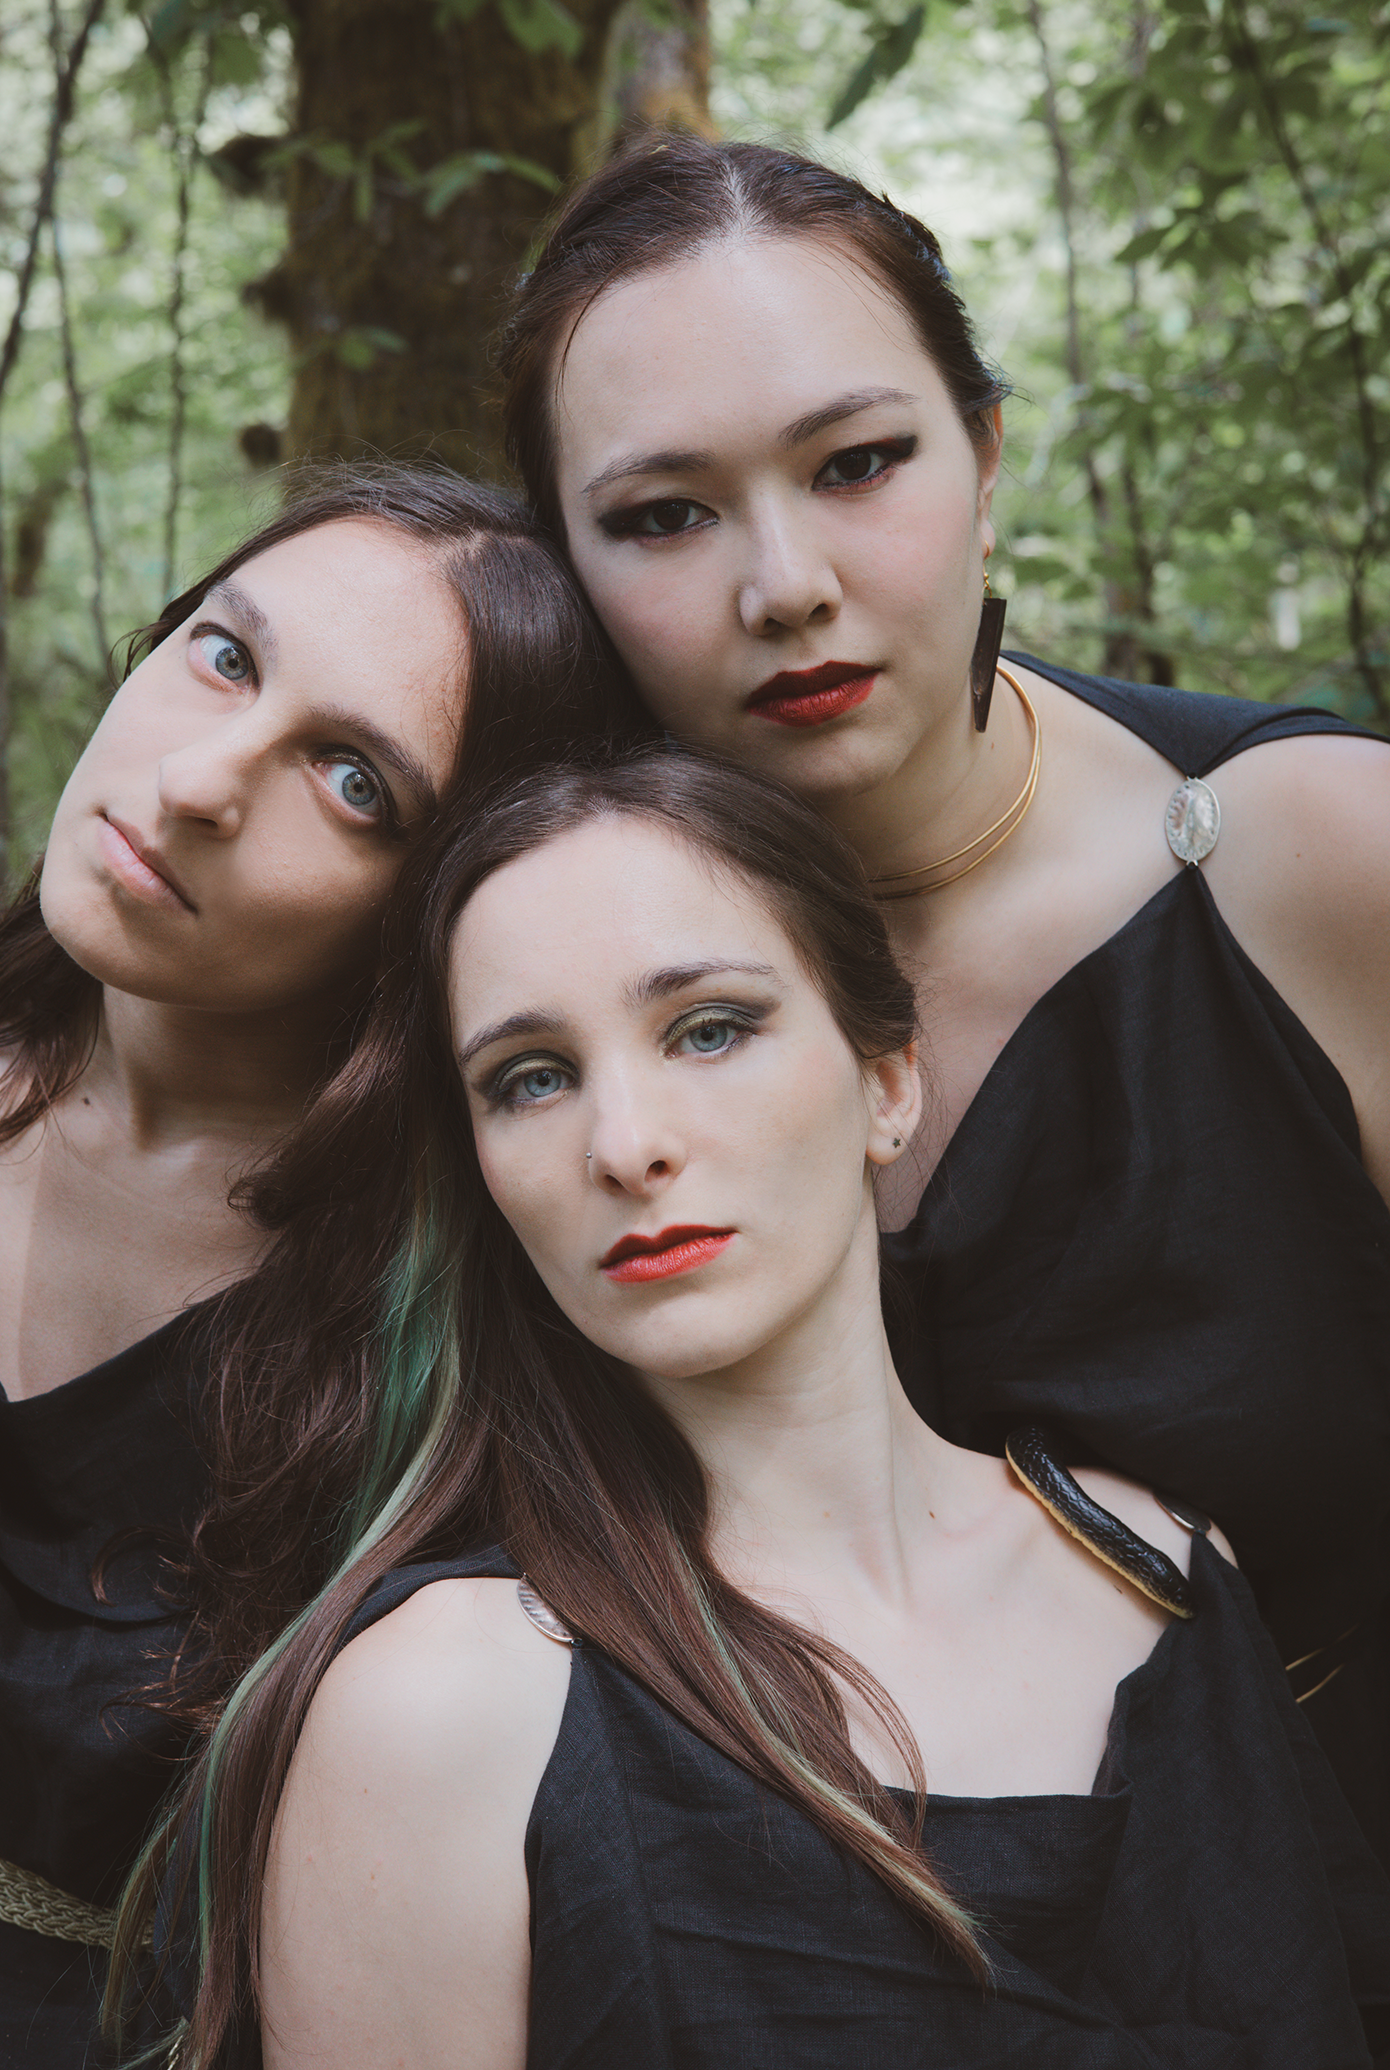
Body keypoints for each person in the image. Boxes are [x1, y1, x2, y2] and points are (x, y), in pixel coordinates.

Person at [121, 748, 1390, 2070]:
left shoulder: (1160, 1570)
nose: (626, 1145)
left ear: (887, 1082)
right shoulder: (441, 1711)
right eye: (532, 1076)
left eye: (709, 1028)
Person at [494, 136, 1390, 1863]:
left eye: (858, 463)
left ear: (982, 456)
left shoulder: (1315, 862)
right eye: (664, 513)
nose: (785, 583)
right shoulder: (519, 958)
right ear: (565, 562)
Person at [0, 465, 638, 2070]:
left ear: (443, 903)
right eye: (225, 655)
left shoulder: (473, 1319)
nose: (200, 780)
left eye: (353, 779)